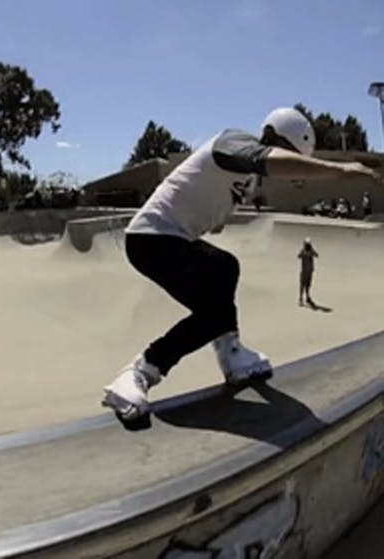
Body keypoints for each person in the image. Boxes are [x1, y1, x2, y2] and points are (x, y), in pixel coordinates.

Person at [102, 107, 383, 424]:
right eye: (286, 154)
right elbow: (263, 159)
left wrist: (210, 216)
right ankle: (139, 373)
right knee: (213, 314)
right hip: (150, 238)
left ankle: (230, 352)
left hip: (172, 237)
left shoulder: (248, 180)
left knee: (224, 268)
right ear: (273, 137)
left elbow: (212, 199)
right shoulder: (234, 141)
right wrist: (341, 171)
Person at [298, 237, 319, 307]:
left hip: (307, 271)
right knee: (303, 285)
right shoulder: (307, 251)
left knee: (306, 285)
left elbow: (316, 255)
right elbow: (299, 256)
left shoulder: (307, 251)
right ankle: (302, 298)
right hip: (306, 271)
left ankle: (306, 297)